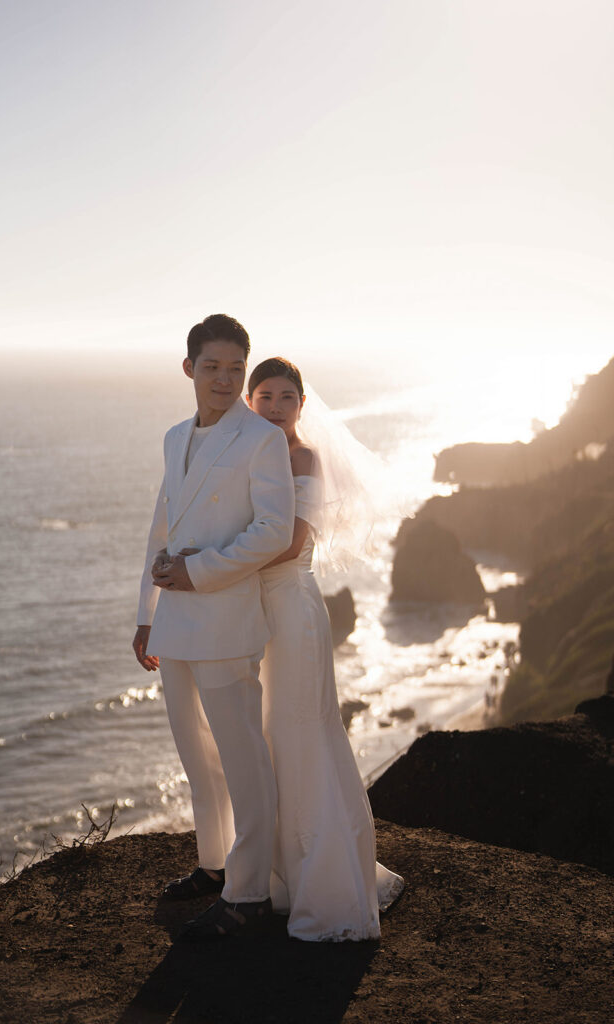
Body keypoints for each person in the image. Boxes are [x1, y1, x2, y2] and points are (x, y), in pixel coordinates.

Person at [132, 315, 295, 939]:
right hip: (173, 626)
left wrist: (200, 573)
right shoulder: (175, 437)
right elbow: (160, 530)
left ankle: (249, 895)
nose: (224, 379)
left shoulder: (261, 439)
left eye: (235, 368)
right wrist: (145, 615)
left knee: (243, 761)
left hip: (226, 620)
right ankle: (212, 865)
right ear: (189, 369)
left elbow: (273, 532)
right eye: (212, 367)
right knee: (197, 757)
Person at [247, 357, 404, 941]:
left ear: (301, 405)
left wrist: (212, 569)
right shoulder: (246, 455)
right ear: (249, 399)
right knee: (266, 738)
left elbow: (292, 542)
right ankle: (281, 877)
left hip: (291, 611)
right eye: (265, 395)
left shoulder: (301, 458)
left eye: (287, 396)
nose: (276, 405)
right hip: (251, 615)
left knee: (300, 733)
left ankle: (330, 888)